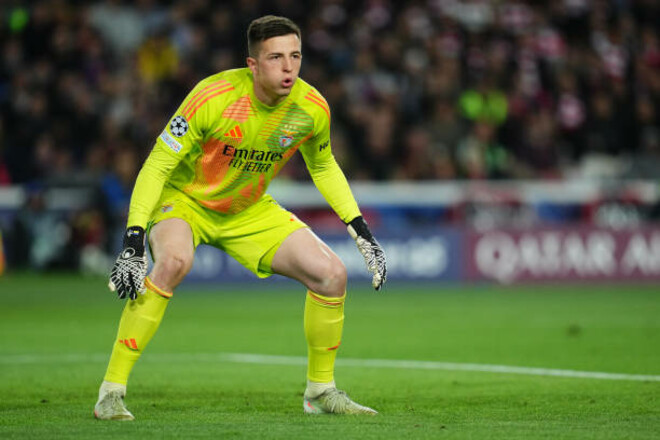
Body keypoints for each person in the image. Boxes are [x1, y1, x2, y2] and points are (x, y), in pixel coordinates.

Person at [93, 15, 387, 420]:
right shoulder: (213, 96)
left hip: (247, 208)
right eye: (275, 58)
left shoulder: (311, 108)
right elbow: (158, 165)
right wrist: (133, 240)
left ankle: (321, 391)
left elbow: (322, 165)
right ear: (253, 65)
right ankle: (111, 391)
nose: (288, 68)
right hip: (185, 201)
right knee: (174, 262)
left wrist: (361, 230)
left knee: (332, 274)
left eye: (295, 56)